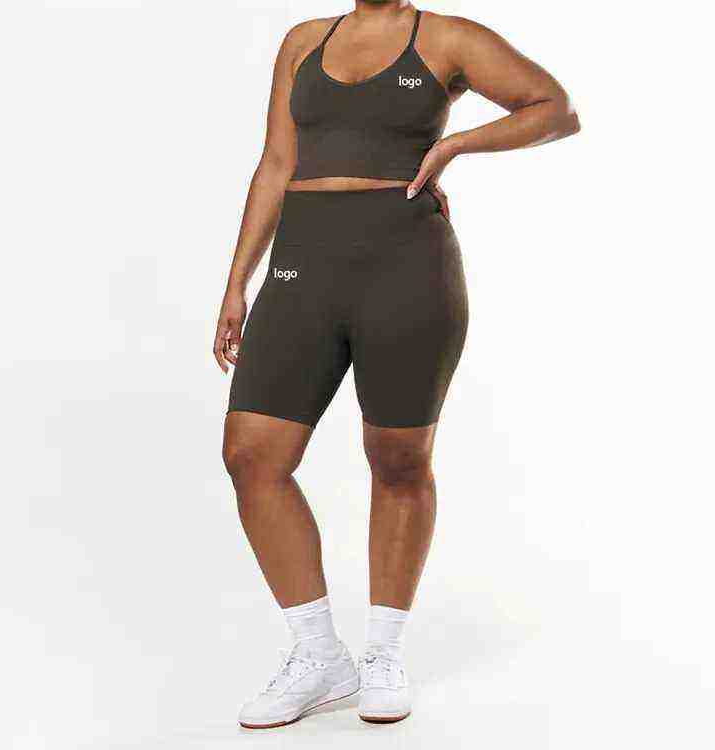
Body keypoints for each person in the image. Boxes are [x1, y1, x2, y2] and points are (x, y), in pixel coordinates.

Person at [213, 1, 579, 729]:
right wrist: (236, 282)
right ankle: (318, 654)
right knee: (252, 454)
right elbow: (277, 162)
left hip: (407, 265)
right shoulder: (303, 41)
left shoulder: (448, 37)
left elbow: (555, 109)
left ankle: (383, 652)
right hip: (302, 267)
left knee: (399, 460)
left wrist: (455, 146)